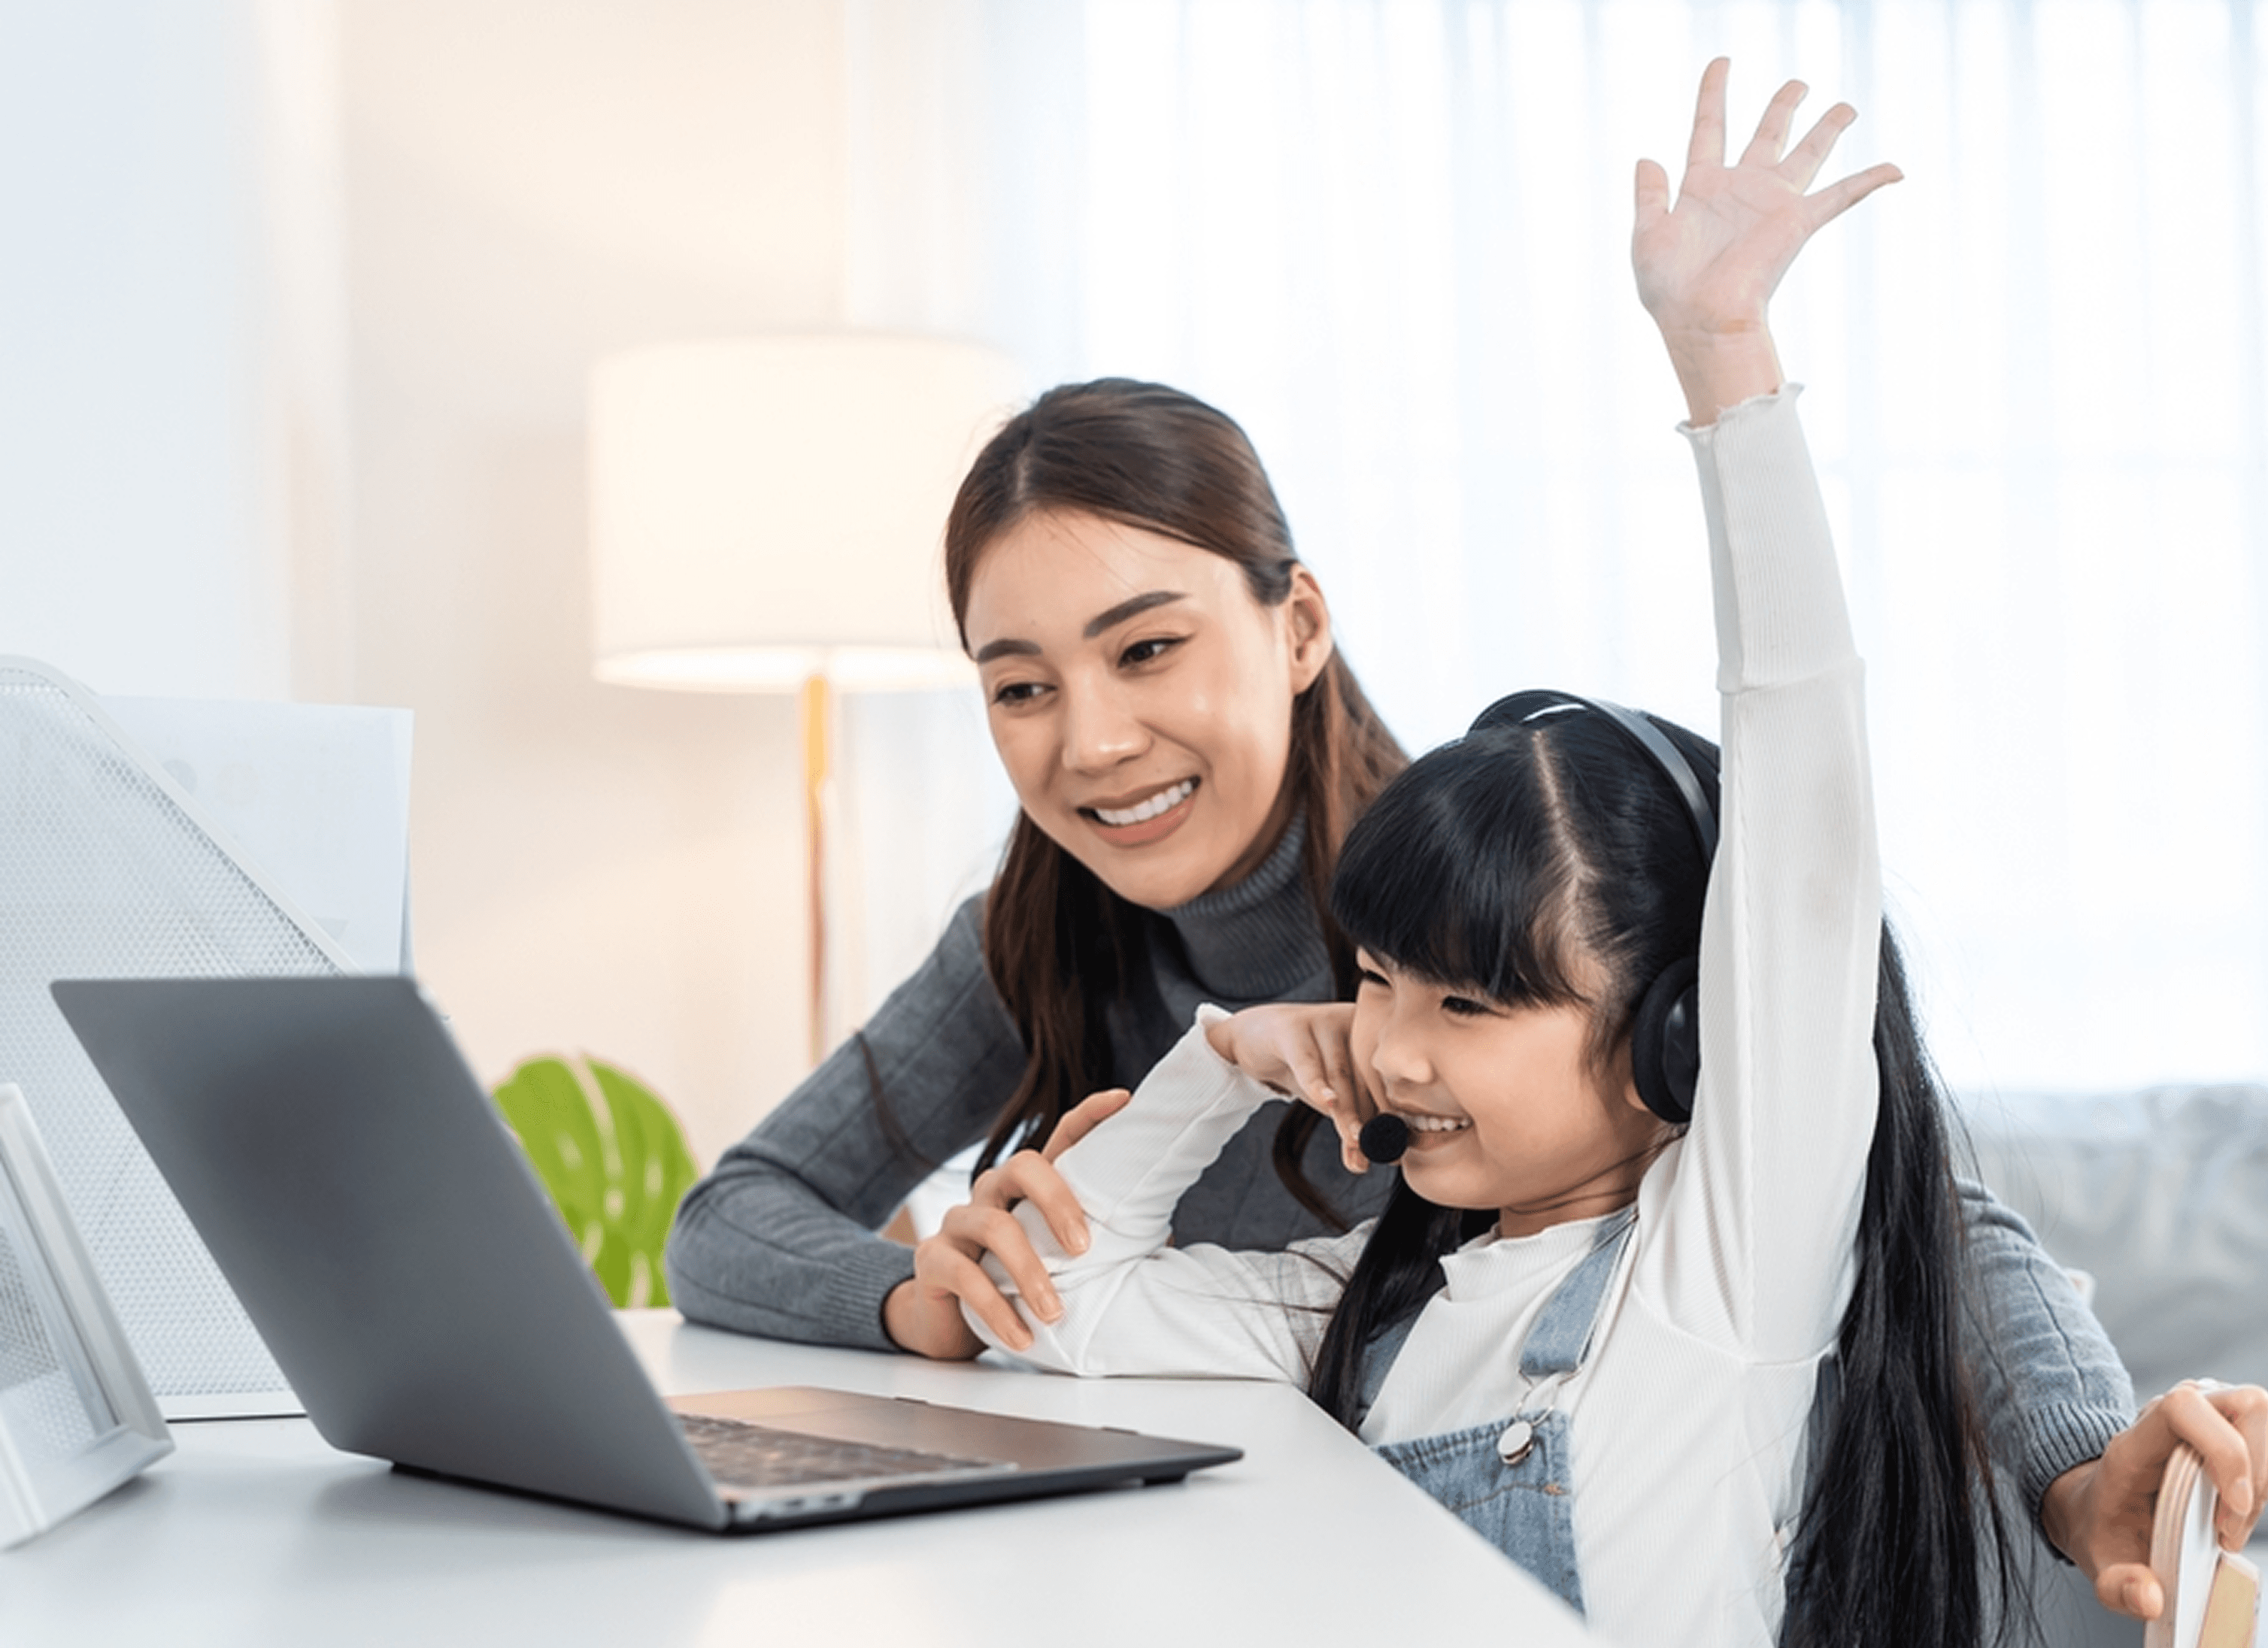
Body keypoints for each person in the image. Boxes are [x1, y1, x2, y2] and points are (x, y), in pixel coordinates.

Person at [664, 59, 2258, 1623]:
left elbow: (1893, 1164)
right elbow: (798, 1237)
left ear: (1295, 626)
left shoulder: (1526, 888)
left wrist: (2067, 1466)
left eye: (1145, 649)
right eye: (1019, 684)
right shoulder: (1326, 1253)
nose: (1087, 740)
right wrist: (981, 1257)